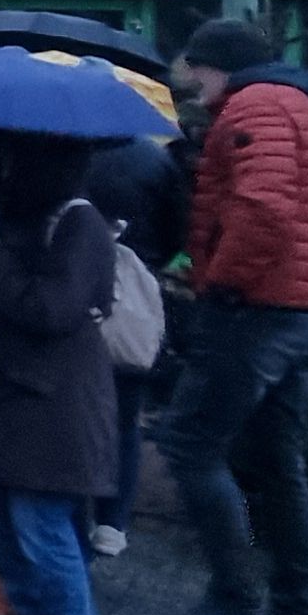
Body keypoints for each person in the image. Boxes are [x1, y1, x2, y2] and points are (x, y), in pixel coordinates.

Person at [148, 17, 308, 615]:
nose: (192, 82)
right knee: (277, 461)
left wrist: (224, 284)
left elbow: (263, 208)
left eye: (196, 68)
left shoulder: (256, 104)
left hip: (260, 314)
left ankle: (233, 607)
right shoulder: (301, 108)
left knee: (189, 443)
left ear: (220, 65)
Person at [0, 129, 119, 615]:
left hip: (57, 397)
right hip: (16, 389)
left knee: (42, 522)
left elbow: (51, 309)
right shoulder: (30, 214)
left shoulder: (78, 222)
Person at [74, 117, 192, 559]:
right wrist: (148, 266)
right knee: (124, 419)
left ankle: (72, 519)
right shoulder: (154, 158)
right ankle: (112, 522)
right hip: (135, 303)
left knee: (71, 414)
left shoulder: (65, 155)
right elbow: (177, 227)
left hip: (75, 297)